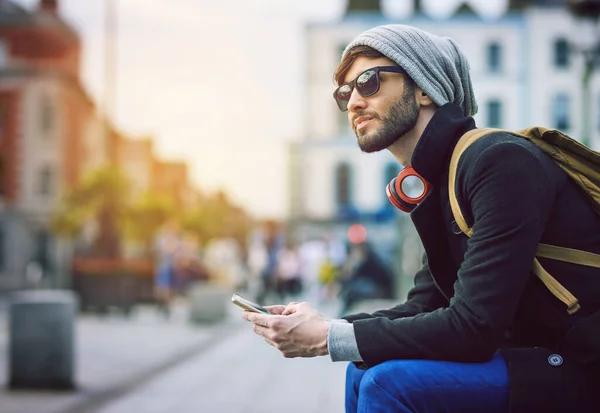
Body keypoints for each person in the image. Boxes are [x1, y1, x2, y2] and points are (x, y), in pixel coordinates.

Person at [241, 24, 600, 412]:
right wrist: (328, 326)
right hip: (532, 356)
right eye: (345, 93)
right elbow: (425, 305)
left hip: (580, 362)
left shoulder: (499, 161)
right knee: (362, 369)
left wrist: (328, 338)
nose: (354, 102)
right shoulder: (442, 180)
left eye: (369, 81)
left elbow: (474, 327)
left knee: (390, 384)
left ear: (425, 87)